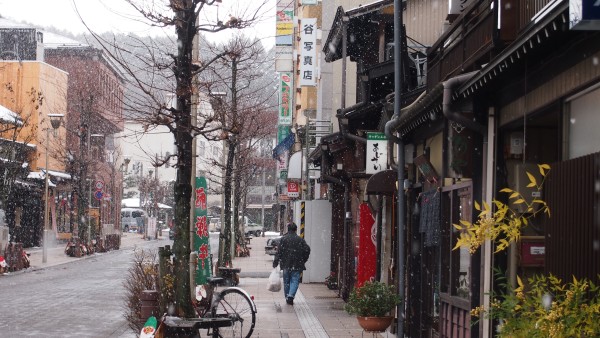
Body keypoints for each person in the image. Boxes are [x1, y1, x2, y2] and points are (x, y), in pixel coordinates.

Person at [272, 222, 310, 305]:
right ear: (295, 230)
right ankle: (291, 296)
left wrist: (276, 262)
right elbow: (307, 249)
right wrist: (303, 259)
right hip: (297, 263)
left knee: (286, 281)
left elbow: (279, 252)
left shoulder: (283, 239)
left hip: (286, 264)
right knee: (295, 280)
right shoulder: (300, 240)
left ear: (288, 229)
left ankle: (287, 296)